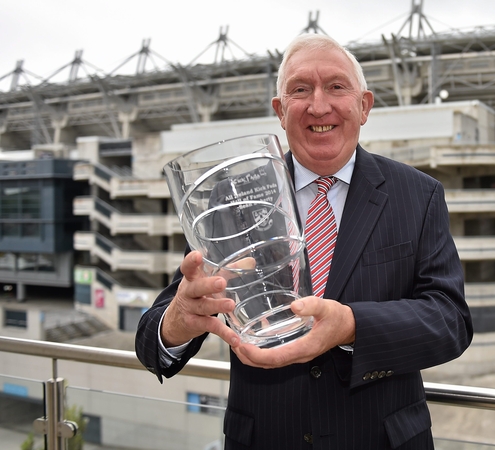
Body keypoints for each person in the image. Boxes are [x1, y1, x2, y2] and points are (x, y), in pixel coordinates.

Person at [136, 33, 473, 449]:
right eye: (300, 90)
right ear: (280, 111)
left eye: (336, 86)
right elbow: (152, 342)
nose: (318, 105)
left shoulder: (418, 195)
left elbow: (450, 321)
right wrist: (177, 322)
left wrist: (351, 326)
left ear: (363, 105)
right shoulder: (233, 197)